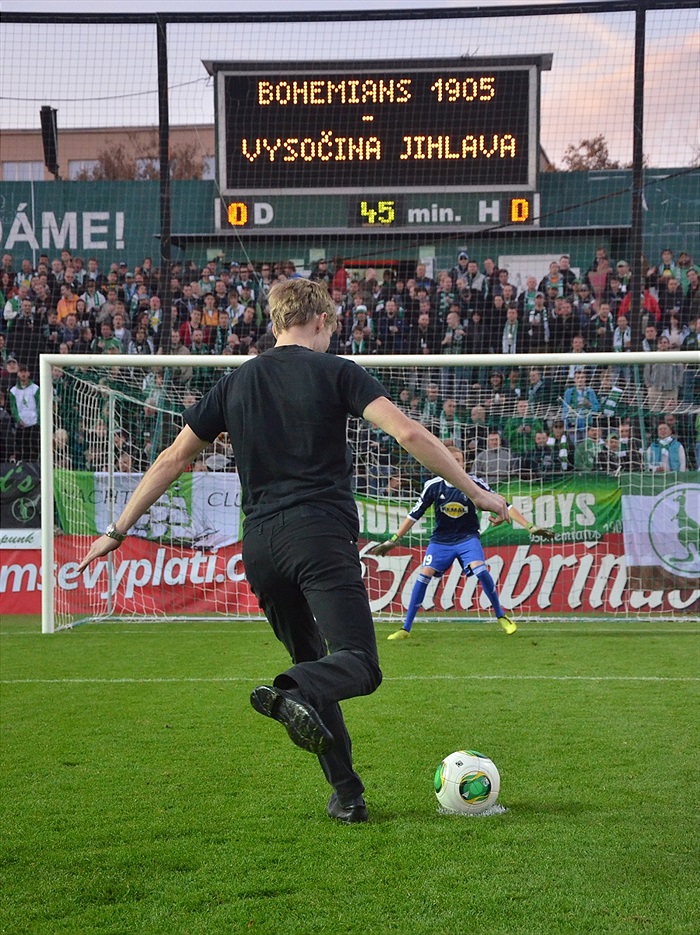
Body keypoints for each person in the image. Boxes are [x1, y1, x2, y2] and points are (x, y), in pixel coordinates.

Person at [76, 278, 508, 825]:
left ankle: (347, 795)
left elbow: (171, 459)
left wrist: (117, 528)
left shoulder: (234, 383)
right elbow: (408, 435)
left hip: (260, 546)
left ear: (276, 322)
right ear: (323, 321)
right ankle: (290, 690)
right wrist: (477, 492)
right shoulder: (337, 371)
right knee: (357, 666)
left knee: (314, 666)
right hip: (319, 536)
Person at [374, 446, 553, 640]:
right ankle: (405, 628)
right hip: (441, 541)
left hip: (467, 538)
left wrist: (530, 526)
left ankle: (501, 615)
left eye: (458, 459)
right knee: (424, 575)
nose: (455, 463)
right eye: (451, 459)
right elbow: (413, 515)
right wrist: (393, 540)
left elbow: (504, 504)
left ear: (464, 463)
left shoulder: (474, 484)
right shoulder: (434, 485)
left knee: (481, 570)